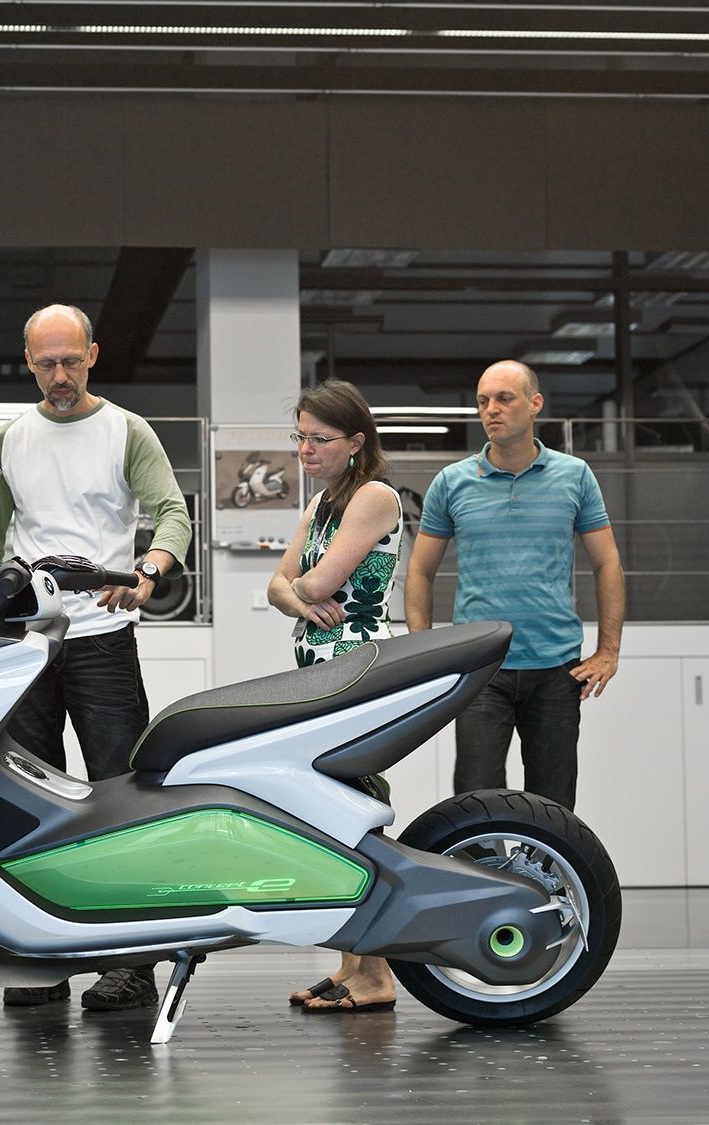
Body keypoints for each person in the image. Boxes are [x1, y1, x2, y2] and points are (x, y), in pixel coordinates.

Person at [0, 303, 192, 1012]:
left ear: (93, 354)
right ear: (28, 361)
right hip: (26, 645)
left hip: (102, 639)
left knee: (120, 801)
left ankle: (133, 966)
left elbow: (172, 513)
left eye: (71, 360)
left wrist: (150, 571)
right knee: (28, 804)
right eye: (45, 363)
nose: (59, 376)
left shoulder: (127, 430)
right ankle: (44, 957)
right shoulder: (9, 439)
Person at [404, 359, 625, 812]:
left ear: (534, 404)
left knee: (555, 803)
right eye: (483, 401)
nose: (491, 410)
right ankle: (487, 883)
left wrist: (609, 651)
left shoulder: (575, 475)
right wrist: (424, 652)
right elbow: (419, 571)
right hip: (481, 668)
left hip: (556, 668)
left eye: (504, 398)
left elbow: (607, 563)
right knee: (476, 801)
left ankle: (548, 882)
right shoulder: (452, 481)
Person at [267, 379, 401, 1014]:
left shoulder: (374, 497)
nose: (305, 449)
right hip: (322, 678)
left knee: (358, 815)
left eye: (319, 439)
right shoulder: (321, 506)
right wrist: (295, 595)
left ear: (356, 442)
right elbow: (277, 587)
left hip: (359, 672)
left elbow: (316, 579)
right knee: (332, 816)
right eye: (300, 437)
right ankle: (354, 965)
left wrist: (296, 589)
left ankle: (376, 973)